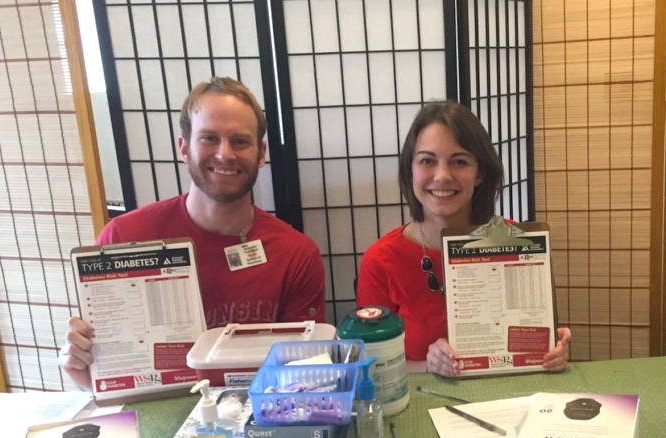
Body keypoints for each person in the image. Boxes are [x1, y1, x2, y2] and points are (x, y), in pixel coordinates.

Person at [59, 77, 326, 390]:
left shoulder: (296, 254)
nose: (225, 154)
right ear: (183, 147)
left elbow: (301, 376)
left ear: (260, 153)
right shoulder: (123, 238)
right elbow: (113, 372)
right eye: (209, 138)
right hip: (156, 411)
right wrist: (84, 369)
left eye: (240, 141)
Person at [356, 100, 570, 377]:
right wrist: (428, 366)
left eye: (459, 161)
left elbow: (528, 341)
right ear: (410, 170)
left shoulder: (515, 242)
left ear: (479, 172)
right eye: (427, 161)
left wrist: (552, 350)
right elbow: (371, 363)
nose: (442, 176)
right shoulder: (381, 260)